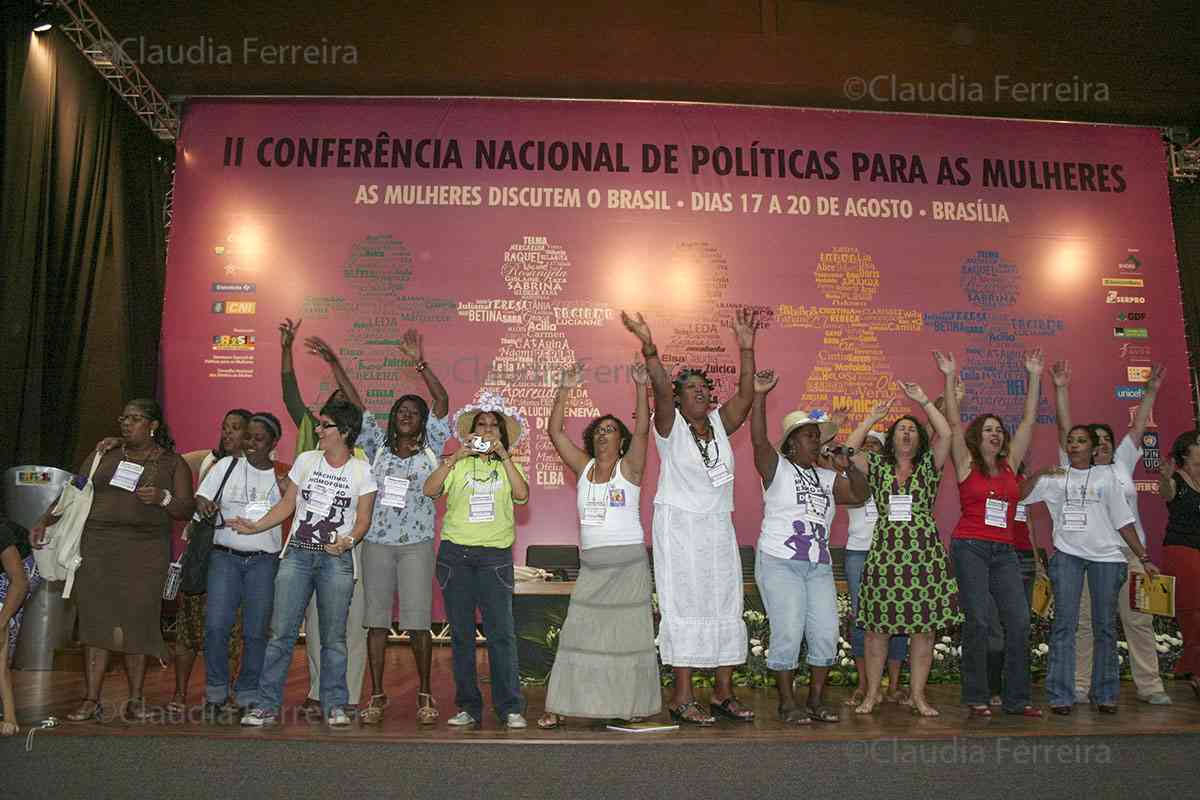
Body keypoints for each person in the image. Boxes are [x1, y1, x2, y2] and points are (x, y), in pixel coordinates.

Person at [621, 308, 760, 726]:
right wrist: (649, 345)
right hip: (679, 526)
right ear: (680, 398)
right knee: (683, 605)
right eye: (692, 388)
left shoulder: (719, 423)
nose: (701, 392)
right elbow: (661, 389)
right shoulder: (669, 425)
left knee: (724, 603)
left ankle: (722, 693)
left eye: (705, 387)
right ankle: (681, 697)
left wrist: (747, 348)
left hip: (717, 525)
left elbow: (747, 396)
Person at [318, 328, 452, 725]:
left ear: (424, 421)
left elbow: (442, 400)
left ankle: (425, 695)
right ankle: (376, 696)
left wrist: (419, 362)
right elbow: (356, 403)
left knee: (417, 625)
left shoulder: (433, 446)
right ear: (392, 419)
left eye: (413, 411)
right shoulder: (375, 446)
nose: (405, 415)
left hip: (417, 545)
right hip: (375, 543)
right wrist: (334, 364)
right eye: (400, 411)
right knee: (376, 622)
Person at [32, 399, 195, 722]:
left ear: (153, 426)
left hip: (146, 551)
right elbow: (75, 489)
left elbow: (185, 508)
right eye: (124, 418)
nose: (126, 423)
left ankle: (135, 700)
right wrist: (45, 519)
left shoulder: (172, 463)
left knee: (138, 621)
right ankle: (91, 699)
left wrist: (162, 498)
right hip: (98, 547)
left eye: (135, 419)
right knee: (96, 621)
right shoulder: (103, 454)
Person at [234, 399, 378, 728]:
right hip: (297, 554)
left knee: (334, 638)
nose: (318, 429)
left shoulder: (361, 470)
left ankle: (335, 705)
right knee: (281, 634)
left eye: (325, 425)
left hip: (336, 560)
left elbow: (364, 520)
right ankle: (266, 705)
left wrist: (348, 541)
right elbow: (288, 504)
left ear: (343, 432)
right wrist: (256, 526)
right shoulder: (307, 461)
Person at [537, 362, 659, 728]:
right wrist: (564, 388)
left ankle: (632, 704)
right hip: (593, 566)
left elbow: (642, 431)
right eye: (600, 430)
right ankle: (560, 704)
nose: (605, 434)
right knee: (578, 634)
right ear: (592, 438)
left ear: (621, 440)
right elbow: (555, 432)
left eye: (611, 430)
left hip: (629, 564)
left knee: (630, 639)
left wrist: (641, 386)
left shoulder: (631, 467)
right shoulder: (583, 467)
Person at [751, 371, 868, 724]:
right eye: (809, 436)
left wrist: (849, 469)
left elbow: (861, 495)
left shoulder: (829, 477)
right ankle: (787, 703)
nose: (816, 442)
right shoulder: (777, 469)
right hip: (779, 561)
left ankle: (816, 700)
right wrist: (759, 397)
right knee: (788, 629)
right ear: (790, 444)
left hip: (818, 564)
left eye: (818, 437)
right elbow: (757, 441)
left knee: (826, 632)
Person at [1052, 361, 1171, 705]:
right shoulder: (1072, 468)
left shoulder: (1121, 462)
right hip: (1087, 557)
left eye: (1107, 439)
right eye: (1096, 440)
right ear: (1084, 446)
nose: (1102, 444)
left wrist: (1149, 392)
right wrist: (1061, 389)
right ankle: (1078, 685)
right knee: (1086, 623)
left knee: (1138, 621)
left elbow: (1137, 427)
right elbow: (1063, 426)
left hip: (1129, 555)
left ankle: (1150, 686)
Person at [1021, 425, 1160, 715]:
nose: (1074, 445)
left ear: (1094, 448)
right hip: (1068, 557)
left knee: (1105, 627)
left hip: (1108, 558)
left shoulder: (1107, 476)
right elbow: (1019, 496)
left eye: (1081, 441)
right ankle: (1061, 695)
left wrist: (1144, 558)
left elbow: (1124, 522)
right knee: (1064, 626)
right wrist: (1038, 474)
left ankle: (1106, 694)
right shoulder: (1055, 478)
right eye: (1070, 441)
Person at [935, 349, 1044, 719]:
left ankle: (1016, 698)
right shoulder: (965, 463)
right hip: (971, 548)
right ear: (976, 438)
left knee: (1019, 621)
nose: (995, 435)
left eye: (999, 431)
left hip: (1006, 552)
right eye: (988, 430)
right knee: (979, 620)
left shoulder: (1011, 466)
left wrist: (1034, 375)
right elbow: (951, 420)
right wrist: (949, 376)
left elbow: (1029, 421)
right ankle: (975, 694)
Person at [846, 382, 960, 717]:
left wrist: (924, 399)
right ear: (892, 438)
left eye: (912, 429)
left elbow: (948, 434)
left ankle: (918, 696)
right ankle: (871, 695)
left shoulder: (928, 466)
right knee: (877, 629)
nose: (907, 433)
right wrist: (871, 418)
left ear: (919, 439)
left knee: (924, 630)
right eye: (901, 430)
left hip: (924, 553)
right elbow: (850, 451)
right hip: (885, 555)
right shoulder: (878, 467)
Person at [278, 317, 368, 719]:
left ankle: (343, 695)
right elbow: (289, 392)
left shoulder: (360, 448)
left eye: (335, 419)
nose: (325, 423)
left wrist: (334, 362)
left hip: (349, 543)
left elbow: (358, 404)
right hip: (307, 543)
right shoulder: (310, 432)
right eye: (325, 416)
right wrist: (286, 348)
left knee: (347, 626)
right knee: (314, 625)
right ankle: (319, 691)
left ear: (349, 429)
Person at [424, 393, 530, 728]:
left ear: (502, 433)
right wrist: (455, 458)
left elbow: (522, 495)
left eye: (493, 426)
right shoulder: (456, 462)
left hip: (494, 557)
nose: (486, 430)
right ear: (470, 431)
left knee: (501, 634)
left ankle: (510, 707)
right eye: (480, 425)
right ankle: (468, 707)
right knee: (462, 635)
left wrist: (503, 456)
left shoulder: (510, 464)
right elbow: (429, 490)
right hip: (456, 555)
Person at [199, 412, 288, 719]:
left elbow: (296, 508)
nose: (250, 443)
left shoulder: (283, 476)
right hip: (225, 557)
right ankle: (216, 690)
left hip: (263, 563)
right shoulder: (226, 465)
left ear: (274, 442)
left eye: (258, 438)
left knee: (255, 632)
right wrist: (206, 506)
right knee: (215, 626)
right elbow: (202, 498)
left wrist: (286, 485)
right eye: (247, 436)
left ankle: (248, 691)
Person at [172, 408, 250, 715]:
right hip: (202, 555)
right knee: (188, 629)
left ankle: (224, 693)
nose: (228, 433)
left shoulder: (257, 470)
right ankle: (179, 693)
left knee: (228, 631)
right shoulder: (211, 462)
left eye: (236, 428)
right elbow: (174, 463)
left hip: (233, 559)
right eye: (225, 427)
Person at [842, 430, 911, 707]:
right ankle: (864, 685)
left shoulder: (896, 478)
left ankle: (893, 686)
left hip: (894, 554)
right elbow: (845, 451)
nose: (869, 450)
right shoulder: (849, 478)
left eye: (876, 447)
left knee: (899, 618)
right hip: (858, 553)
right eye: (865, 446)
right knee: (862, 619)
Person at [1160, 430, 1200, 699]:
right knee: (1193, 613)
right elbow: (1166, 494)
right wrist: (1163, 476)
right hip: (1181, 551)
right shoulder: (1175, 480)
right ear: (1186, 452)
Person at [1, 517, 41, 736]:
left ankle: (8, 712)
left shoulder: (1, 534)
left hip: (19, 572)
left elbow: (19, 583)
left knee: (2, 637)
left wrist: (2, 621)